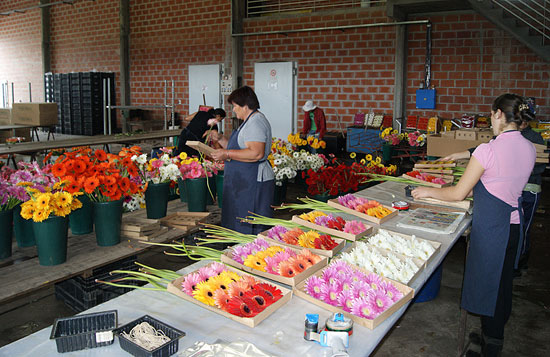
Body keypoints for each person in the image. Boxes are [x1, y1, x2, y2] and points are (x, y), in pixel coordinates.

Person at [412, 94, 536, 356]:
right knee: (502, 286)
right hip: (514, 226)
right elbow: (498, 182)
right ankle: (493, 336)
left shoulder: (487, 150)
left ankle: (491, 349)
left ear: (499, 114)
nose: (491, 121)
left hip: (493, 229)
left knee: (488, 287)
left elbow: (457, 194)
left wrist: (427, 191)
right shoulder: (529, 148)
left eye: (492, 115)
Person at [440, 115, 545, 273]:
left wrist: (427, 191)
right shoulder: (511, 143)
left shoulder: (531, 140)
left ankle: (520, 261)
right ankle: (511, 265)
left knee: (522, 231)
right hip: (504, 213)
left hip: (523, 196)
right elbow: (488, 149)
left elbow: (459, 194)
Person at [208, 86, 275, 234]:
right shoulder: (249, 121)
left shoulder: (255, 122)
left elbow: (256, 153)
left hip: (253, 183)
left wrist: (227, 154)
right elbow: (240, 148)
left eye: (235, 106)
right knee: (238, 223)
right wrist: (220, 139)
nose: (233, 110)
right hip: (244, 183)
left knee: (251, 225)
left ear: (245, 106)